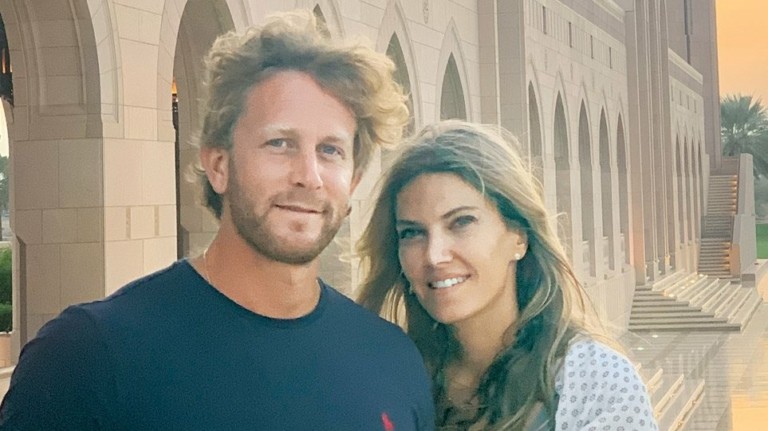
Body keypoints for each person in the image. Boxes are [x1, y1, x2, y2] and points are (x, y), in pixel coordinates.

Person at [0, 11, 435, 431]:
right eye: (280, 143)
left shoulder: (391, 361)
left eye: (330, 150)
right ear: (218, 165)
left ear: (353, 181)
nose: (309, 175)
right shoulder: (88, 360)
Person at [357, 120, 658, 430]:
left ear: (519, 236)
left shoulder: (594, 384)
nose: (434, 255)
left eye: (461, 222)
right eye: (412, 233)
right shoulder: (390, 380)